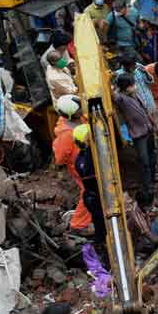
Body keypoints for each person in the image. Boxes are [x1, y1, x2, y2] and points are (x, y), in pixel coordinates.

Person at [114, 73, 158, 207]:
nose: (135, 87)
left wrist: (156, 126)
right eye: (132, 85)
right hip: (138, 135)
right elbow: (111, 94)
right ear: (125, 87)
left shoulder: (135, 95)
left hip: (148, 130)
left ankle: (152, 179)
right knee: (143, 161)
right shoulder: (120, 98)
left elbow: (145, 111)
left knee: (152, 156)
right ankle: (146, 186)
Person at [52, 95, 92, 233]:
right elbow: (61, 156)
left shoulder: (78, 119)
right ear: (73, 112)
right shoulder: (66, 134)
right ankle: (78, 224)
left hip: (88, 160)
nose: (82, 109)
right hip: (80, 167)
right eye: (80, 108)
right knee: (88, 191)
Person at [72, 124, 107, 256]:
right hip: (94, 197)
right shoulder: (87, 159)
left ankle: (100, 244)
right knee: (101, 225)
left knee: (100, 224)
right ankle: (102, 249)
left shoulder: (81, 157)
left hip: (92, 196)